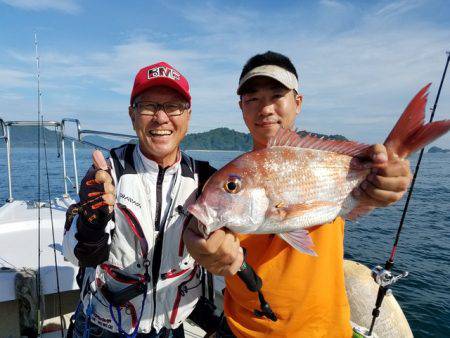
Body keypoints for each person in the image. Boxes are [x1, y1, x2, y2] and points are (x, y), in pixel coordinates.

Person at [183, 51, 412, 337]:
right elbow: (199, 225)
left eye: (277, 95)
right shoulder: (228, 176)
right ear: (241, 107)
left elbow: (370, 194)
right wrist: (197, 243)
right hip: (241, 329)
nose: (265, 108)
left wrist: (386, 184)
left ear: (298, 102)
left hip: (324, 329)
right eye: (252, 99)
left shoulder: (322, 159)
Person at [63, 61, 217, 337]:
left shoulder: (206, 179)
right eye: (149, 106)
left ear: (188, 116)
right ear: (132, 115)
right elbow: (78, 254)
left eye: (173, 106)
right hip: (106, 325)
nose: (161, 118)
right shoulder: (106, 173)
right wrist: (92, 223)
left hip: (171, 325)